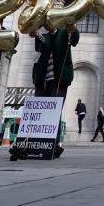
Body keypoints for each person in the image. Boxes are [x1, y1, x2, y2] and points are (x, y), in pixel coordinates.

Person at [31, 23, 78, 158]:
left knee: (54, 113)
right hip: (42, 80)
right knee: (39, 112)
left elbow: (74, 39)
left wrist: (73, 29)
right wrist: (36, 35)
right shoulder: (43, 36)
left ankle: (54, 144)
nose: (46, 25)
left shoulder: (63, 33)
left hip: (59, 80)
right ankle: (36, 143)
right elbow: (40, 49)